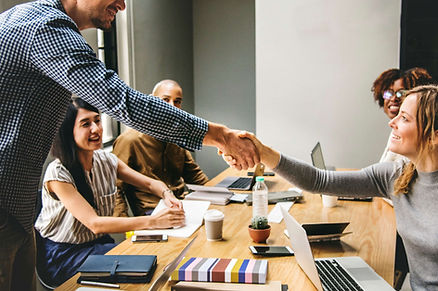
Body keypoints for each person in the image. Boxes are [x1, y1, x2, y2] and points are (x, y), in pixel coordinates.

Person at [0, 1, 258, 289]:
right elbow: (123, 101)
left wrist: (164, 192)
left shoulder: (52, 30)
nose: (123, 4)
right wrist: (221, 136)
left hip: (18, 211)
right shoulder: (44, 26)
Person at [229, 85, 438, 290]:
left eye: (404, 118)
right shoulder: (396, 175)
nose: (392, 122)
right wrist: (262, 152)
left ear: (434, 136)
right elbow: (319, 181)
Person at [34, 98, 185, 286]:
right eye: (85, 124)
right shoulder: (57, 174)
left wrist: (166, 194)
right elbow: (95, 224)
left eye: (97, 120)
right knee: (145, 269)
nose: (96, 129)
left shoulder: (106, 160)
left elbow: (149, 184)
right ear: (67, 132)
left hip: (98, 245)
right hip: (64, 256)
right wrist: (154, 222)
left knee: (158, 258)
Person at [112, 80, 209, 217]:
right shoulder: (129, 140)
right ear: (151, 101)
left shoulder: (176, 136)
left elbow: (194, 176)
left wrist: (219, 198)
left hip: (183, 205)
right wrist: (125, 225)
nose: (172, 107)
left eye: (177, 101)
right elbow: (115, 188)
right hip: (152, 213)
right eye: (165, 100)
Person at [372, 67, 433, 162]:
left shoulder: (410, 139)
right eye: (388, 93)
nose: (393, 98)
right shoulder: (395, 131)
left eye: (401, 93)